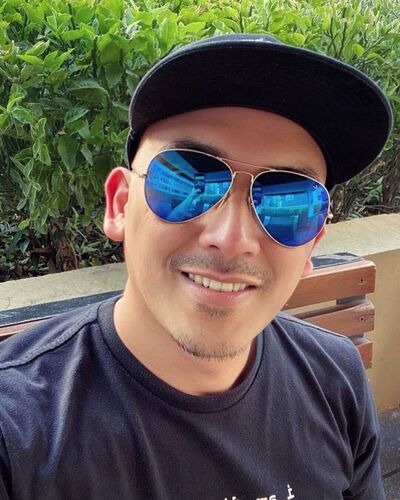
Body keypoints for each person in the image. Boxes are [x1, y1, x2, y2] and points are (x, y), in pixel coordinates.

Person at [0, 34, 392, 500]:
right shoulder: (17, 429)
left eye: (289, 203)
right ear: (120, 205)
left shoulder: (334, 378)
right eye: (188, 181)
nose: (232, 238)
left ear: (311, 246)